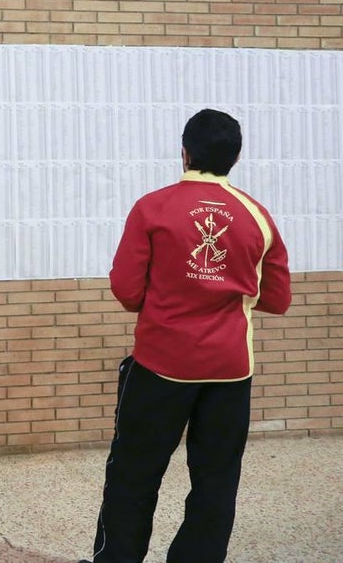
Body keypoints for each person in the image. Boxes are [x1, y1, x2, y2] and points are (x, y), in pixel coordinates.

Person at [81, 109, 291, 563]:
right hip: (231, 372)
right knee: (216, 482)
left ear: (184, 151)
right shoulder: (257, 215)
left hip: (161, 366)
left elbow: (126, 290)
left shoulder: (152, 207)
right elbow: (277, 298)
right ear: (236, 157)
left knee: (134, 474)